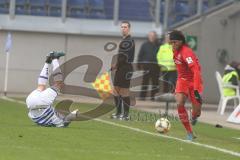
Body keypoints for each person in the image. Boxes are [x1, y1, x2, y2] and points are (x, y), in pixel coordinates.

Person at [26, 51, 78, 127]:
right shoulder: (58, 122)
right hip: (30, 103)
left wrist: (74, 114)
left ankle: (52, 60)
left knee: (55, 84)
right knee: (44, 86)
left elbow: (67, 120)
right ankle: (51, 60)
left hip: (39, 105)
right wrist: (73, 115)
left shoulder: (59, 122)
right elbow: (66, 121)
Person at [169, 30, 203, 141]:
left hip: (194, 80)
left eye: (175, 42)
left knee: (197, 111)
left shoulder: (186, 52)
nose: (173, 45)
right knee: (179, 102)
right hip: (182, 80)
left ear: (181, 41)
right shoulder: (175, 50)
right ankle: (189, 132)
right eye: (171, 43)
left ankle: (194, 115)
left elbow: (196, 71)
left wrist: (197, 89)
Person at [111, 21, 135, 120]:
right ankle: (118, 112)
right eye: (122, 27)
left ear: (129, 28)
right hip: (121, 68)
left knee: (124, 91)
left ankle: (126, 115)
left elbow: (125, 57)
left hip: (126, 68)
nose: (123, 29)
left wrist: (116, 65)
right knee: (116, 90)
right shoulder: (124, 40)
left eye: (125, 27)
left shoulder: (129, 41)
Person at [137, 31, 160, 101]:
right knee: (145, 82)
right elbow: (140, 55)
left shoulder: (159, 45)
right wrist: (139, 64)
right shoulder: (144, 45)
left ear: (156, 37)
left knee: (155, 83)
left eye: (153, 36)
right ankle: (142, 97)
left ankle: (153, 98)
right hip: (146, 66)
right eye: (151, 36)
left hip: (156, 66)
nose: (152, 37)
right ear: (148, 36)